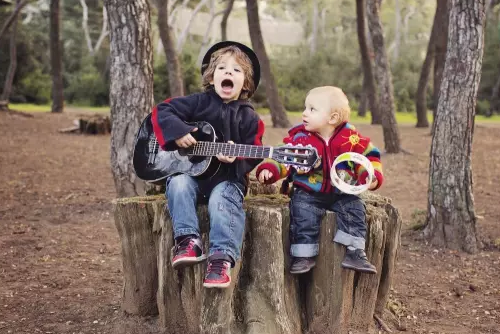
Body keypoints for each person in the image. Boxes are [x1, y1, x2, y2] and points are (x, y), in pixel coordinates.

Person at [151, 41, 264, 288]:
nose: (228, 73)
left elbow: (255, 151)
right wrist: (179, 131)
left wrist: (237, 158)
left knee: (221, 199)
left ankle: (220, 258)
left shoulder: (249, 117)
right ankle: (188, 241)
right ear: (211, 77)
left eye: (236, 71)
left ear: (245, 83)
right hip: (191, 176)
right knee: (178, 182)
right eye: (222, 68)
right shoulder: (197, 103)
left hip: (227, 181)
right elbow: (161, 111)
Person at [255, 86, 383, 274]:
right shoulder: (300, 139)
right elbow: (284, 157)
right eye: (305, 108)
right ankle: (304, 254)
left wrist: (370, 177)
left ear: (332, 118)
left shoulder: (351, 138)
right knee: (302, 212)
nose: (304, 113)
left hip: (342, 192)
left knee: (355, 209)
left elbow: (368, 157)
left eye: (312, 109)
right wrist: (270, 169)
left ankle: (355, 251)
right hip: (309, 191)